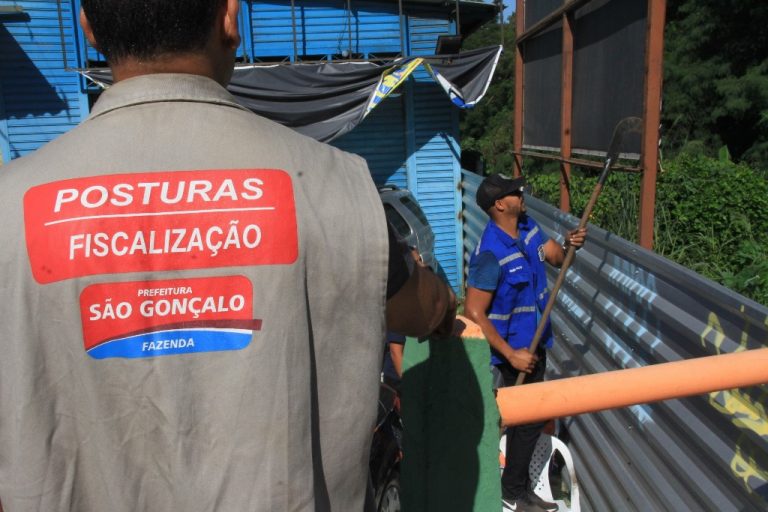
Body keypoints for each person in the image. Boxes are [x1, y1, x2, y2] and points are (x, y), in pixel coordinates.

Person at [0, 1, 454, 510]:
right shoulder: (337, 186)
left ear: (87, 28)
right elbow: (423, 308)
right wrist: (442, 303)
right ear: (230, 19)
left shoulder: (8, 207)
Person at [463, 174, 586, 512]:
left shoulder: (529, 227)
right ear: (500, 204)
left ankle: (515, 489)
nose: (521, 194)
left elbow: (559, 258)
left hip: (535, 345)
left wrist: (570, 244)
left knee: (528, 420)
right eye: (514, 192)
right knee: (522, 418)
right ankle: (510, 491)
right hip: (510, 354)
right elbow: (473, 310)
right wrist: (509, 354)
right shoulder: (489, 252)